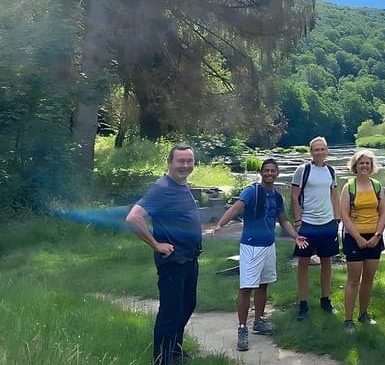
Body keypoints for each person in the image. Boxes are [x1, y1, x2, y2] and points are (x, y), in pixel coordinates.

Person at [212, 158, 308, 351]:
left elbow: (283, 220)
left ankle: (259, 321)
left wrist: (296, 236)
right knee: (247, 287)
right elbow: (236, 208)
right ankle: (242, 329)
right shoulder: (251, 191)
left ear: (277, 173)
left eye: (273, 170)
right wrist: (220, 224)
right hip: (251, 246)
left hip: (269, 246)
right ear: (261, 172)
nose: (270, 173)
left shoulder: (277, 196)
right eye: (267, 170)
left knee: (263, 285)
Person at [125, 144, 202, 365]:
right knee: (170, 311)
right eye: (181, 161)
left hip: (189, 258)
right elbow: (133, 218)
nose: (185, 165)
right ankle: (162, 359)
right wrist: (156, 244)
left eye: (189, 161)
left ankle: (174, 350)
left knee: (187, 304)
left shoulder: (181, 185)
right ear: (170, 163)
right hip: (173, 262)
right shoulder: (162, 188)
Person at [290, 136, 340, 321]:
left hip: (327, 224)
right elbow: (294, 196)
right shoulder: (303, 170)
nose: (319, 152)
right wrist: (298, 221)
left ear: (327, 151)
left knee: (327, 262)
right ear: (311, 152)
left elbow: (334, 196)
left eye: (322, 149)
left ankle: (325, 300)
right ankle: (303, 303)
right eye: (316, 149)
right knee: (303, 263)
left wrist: (337, 219)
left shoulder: (331, 171)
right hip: (308, 225)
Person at [339, 149, 385, 333]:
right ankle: (348, 320)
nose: (365, 166)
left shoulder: (377, 186)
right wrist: (358, 238)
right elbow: (344, 215)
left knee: (369, 278)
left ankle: (364, 314)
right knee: (353, 280)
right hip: (354, 238)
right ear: (355, 166)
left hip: (374, 238)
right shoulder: (348, 187)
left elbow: (383, 212)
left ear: (372, 166)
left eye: (368, 163)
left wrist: (377, 235)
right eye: (361, 163)